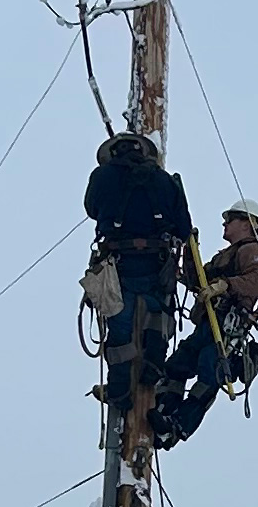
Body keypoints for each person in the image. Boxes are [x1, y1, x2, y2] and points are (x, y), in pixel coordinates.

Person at [82, 127, 193, 430]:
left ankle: (120, 390)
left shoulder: (101, 177)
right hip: (157, 264)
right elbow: (184, 227)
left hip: (118, 263)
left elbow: (92, 209)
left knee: (119, 323)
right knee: (158, 314)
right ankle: (152, 368)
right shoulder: (165, 181)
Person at [156, 198, 258, 446]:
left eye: (230, 219)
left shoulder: (253, 250)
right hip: (208, 324)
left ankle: (179, 426)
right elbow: (197, 281)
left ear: (248, 223)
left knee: (209, 373)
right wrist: (190, 250)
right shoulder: (226, 256)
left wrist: (225, 285)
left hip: (226, 328)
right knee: (177, 366)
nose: (224, 223)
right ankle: (165, 412)